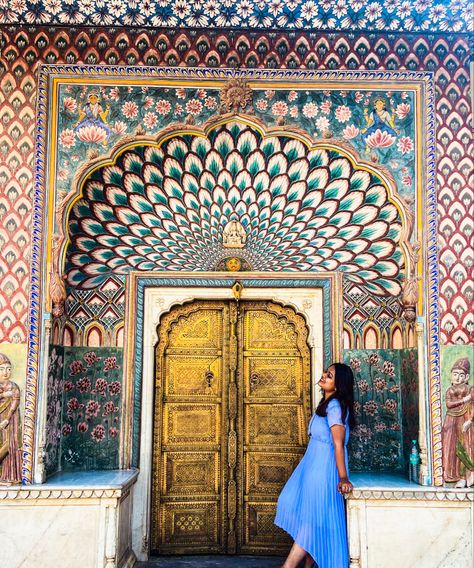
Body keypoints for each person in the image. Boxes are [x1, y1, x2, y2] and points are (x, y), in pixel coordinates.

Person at [275, 363, 355, 568]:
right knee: (312, 518)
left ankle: (289, 566)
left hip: (323, 470)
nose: (324, 376)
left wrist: (343, 478)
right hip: (313, 467)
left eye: (330, 376)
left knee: (313, 521)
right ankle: (306, 565)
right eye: (326, 373)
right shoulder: (327, 404)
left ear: (339, 385)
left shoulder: (336, 407)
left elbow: (338, 444)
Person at [441, 357, 474, 487]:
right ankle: (456, 477)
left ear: (466, 377)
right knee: (451, 448)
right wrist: (464, 400)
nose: (458, 378)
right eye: (455, 374)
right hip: (451, 420)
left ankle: (468, 475)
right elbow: (449, 405)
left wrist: (470, 420)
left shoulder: (470, 389)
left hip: (465, 419)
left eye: (461, 375)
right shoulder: (450, 390)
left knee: (466, 446)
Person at [0, 353, 22, 484]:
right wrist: (3, 394)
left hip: (10, 421)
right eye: (2, 369)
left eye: (8, 369)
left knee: (9, 445)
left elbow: (15, 401)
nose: (6, 372)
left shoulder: (13, 386)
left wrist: (7, 419)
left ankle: (9, 475)